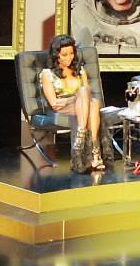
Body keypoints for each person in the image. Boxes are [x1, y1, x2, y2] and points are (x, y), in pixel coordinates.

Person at [39, 34, 105, 172]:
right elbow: (54, 103)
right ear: (56, 55)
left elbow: (87, 94)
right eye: (64, 55)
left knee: (92, 101)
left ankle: (81, 139)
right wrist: (76, 99)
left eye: (71, 53)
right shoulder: (47, 74)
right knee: (89, 101)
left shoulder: (80, 71)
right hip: (63, 109)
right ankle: (95, 154)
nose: (69, 58)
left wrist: (79, 98)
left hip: (82, 106)